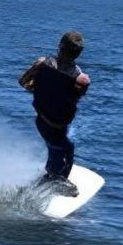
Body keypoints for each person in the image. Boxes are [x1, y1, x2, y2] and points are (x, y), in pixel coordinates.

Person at [19, 31, 91, 197]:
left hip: (42, 119)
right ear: (79, 53)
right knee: (64, 149)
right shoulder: (82, 79)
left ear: (60, 46)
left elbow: (23, 82)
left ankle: (51, 176)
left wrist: (44, 89)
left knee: (64, 148)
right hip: (56, 126)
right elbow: (76, 97)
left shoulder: (42, 63)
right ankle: (54, 181)